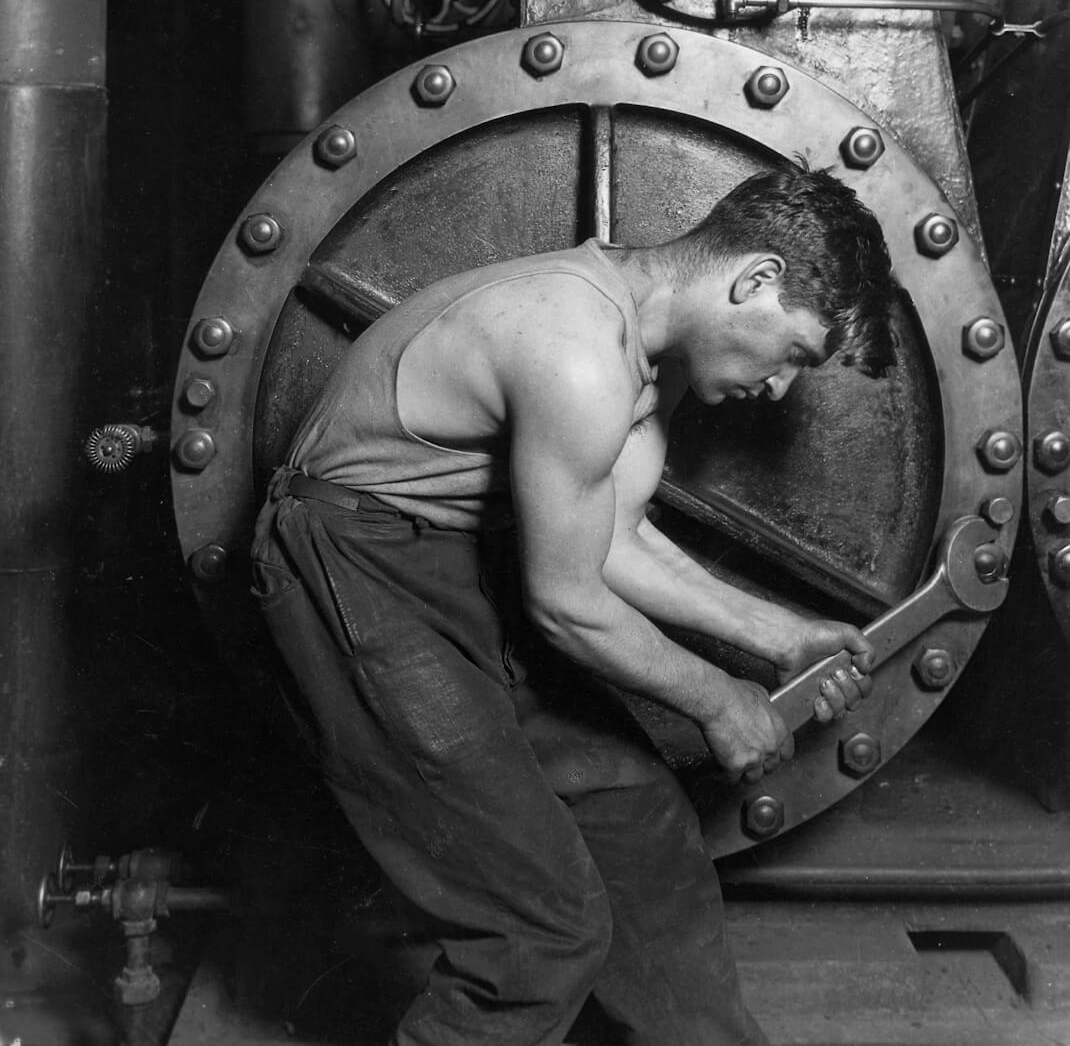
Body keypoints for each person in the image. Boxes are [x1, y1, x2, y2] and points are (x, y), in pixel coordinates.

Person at [251, 163, 897, 1046]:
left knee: (641, 829)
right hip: (354, 568)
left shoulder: (647, 353)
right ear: (755, 280)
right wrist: (719, 699)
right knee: (540, 929)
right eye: (793, 354)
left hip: (453, 562)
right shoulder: (574, 346)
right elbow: (564, 601)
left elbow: (613, 539)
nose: (781, 389)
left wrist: (780, 635)